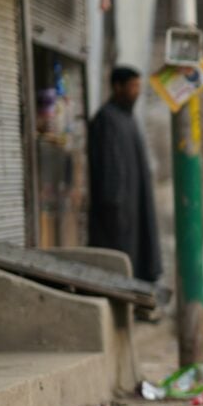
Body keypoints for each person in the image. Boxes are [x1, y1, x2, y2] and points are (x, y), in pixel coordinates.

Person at [87, 66, 163, 285]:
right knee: (121, 263)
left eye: (139, 86)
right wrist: (115, 208)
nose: (136, 92)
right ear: (117, 87)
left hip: (133, 208)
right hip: (118, 215)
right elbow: (110, 170)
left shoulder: (127, 118)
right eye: (132, 86)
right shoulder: (107, 119)